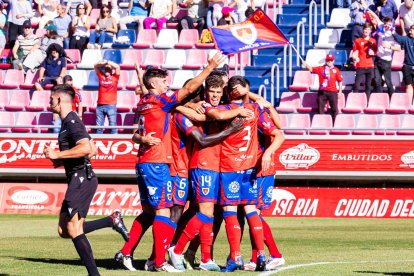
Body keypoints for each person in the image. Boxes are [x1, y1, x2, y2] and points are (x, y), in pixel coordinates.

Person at [114, 52, 225, 272]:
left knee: (151, 213)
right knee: (166, 212)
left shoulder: (145, 103)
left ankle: (128, 253)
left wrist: (141, 137)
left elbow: (137, 131)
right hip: (163, 164)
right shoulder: (167, 105)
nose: (168, 84)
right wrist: (210, 66)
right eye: (164, 81)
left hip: (146, 162)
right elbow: (189, 90)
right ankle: (159, 260)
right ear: (154, 83)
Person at [168, 74, 252, 272]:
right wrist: (181, 106)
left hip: (217, 165)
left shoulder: (222, 105)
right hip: (203, 162)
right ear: (205, 93)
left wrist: (246, 95)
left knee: (211, 214)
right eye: (211, 92)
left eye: (217, 92)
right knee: (205, 212)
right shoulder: (206, 108)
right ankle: (177, 250)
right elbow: (204, 119)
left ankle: (205, 258)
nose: (214, 96)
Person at [43, 84, 130, 276]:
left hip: (82, 178)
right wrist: (58, 158)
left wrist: (57, 154)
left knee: (74, 229)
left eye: (51, 100)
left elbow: (86, 149)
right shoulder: (69, 122)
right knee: (63, 230)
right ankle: (111, 221)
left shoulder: (72, 121)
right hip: (78, 177)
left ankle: (94, 274)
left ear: (59, 100)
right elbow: (93, 149)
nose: (49, 103)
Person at [201, 76, 276, 272]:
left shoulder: (224, 110)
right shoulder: (255, 109)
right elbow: (277, 125)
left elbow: (211, 114)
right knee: (251, 210)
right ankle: (261, 254)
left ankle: (235, 256)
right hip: (250, 167)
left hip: (230, 166)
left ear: (226, 92)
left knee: (230, 211)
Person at [302, 54, 343, 122]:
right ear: (326, 61)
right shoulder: (321, 68)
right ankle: (321, 123)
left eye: (331, 60)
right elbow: (312, 69)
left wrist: (340, 91)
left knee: (334, 109)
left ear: (333, 61)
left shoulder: (336, 70)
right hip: (322, 92)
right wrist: (306, 64)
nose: (329, 62)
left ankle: (335, 123)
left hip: (333, 92)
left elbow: (340, 81)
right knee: (320, 109)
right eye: (328, 60)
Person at [371, 14, 400, 97]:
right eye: (385, 24)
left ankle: (393, 98)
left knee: (388, 82)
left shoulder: (393, 35)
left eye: (389, 24)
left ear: (391, 25)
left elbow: (399, 48)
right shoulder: (381, 28)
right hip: (378, 59)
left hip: (386, 61)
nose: (386, 26)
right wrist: (366, 8)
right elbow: (376, 17)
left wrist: (389, 46)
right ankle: (380, 99)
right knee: (377, 81)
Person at [351, 22, 377, 99]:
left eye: (368, 29)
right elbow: (354, 52)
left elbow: (376, 52)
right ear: (363, 30)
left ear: (370, 31)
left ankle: (367, 102)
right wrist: (354, 58)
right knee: (356, 85)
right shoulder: (358, 40)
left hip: (370, 66)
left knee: (368, 86)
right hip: (360, 65)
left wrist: (373, 53)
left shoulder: (373, 41)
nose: (366, 31)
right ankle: (354, 101)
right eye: (365, 29)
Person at [94, 59, 120, 134]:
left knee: (112, 126)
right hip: (100, 105)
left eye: (109, 69)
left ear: (112, 70)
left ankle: (115, 142)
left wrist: (108, 62)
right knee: (99, 127)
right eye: (106, 69)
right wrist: (103, 63)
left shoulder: (115, 77)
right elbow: (95, 66)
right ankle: (98, 143)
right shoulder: (101, 76)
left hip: (111, 105)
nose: (107, 71)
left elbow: (117, 67)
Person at [393, 25, 414, 100]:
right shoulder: (406, 39)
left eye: (412, 30)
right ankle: (408, 103)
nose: (410, 31)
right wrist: (391, 30)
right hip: (407, 66)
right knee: (409, 85)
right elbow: (397, 37)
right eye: (410, 30)